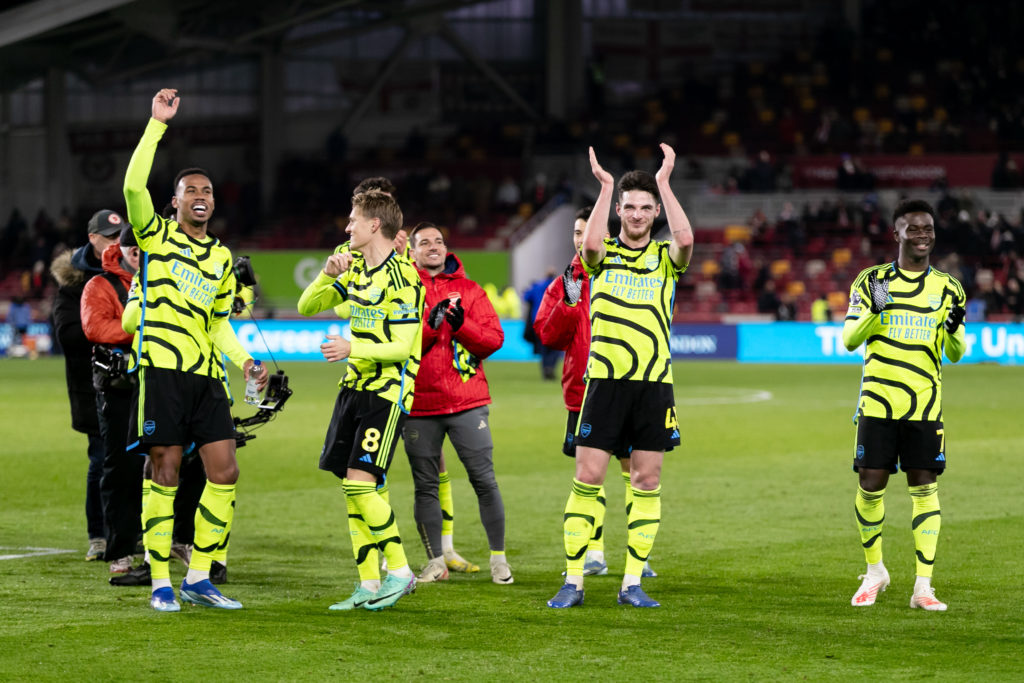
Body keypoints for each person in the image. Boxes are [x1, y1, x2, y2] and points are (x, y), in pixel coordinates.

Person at [123, 88, 267, 612]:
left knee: (224, 470)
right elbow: (132, 184)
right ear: (177, 200)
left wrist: (244, 359)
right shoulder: (156, 236)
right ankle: (160, 579)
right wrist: (156, 125)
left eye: (206, 189)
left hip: (208, 378)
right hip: (161, 370)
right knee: (164, 471)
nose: (200, 195)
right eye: (190, 189)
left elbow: (220, 324)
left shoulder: (222, 258)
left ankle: (199, 576)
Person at [548, 144, 693, 609]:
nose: (635, 214)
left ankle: (632, 582)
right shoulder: (603, 253)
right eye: (628, 207)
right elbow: (588, 245)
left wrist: (665, 184)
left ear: (654, 213)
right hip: (605, 383)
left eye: (643, 207)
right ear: (618, 211)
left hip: (653, 386)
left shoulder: (668, 260)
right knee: (587, 478)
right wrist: (607, 185)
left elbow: (687, 240)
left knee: (647, 481)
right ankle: (574, 580)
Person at [298, 189, 424, 611]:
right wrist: (327, 274)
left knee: (359, 482)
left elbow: (403, 346)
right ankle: (368, 585)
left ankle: (401, 572)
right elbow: (306, 305)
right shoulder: (350, 266)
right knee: (354, 489)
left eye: (353, 220)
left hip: (387, 393)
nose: (346, 227)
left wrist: (353, 349)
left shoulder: (404, 278)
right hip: (353, 389)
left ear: (374, 225)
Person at [843, 199, 966, 612]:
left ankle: (923, 586)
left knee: (924, 489)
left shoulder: (948, 288)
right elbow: (850, 340)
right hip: (878, 403)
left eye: (927, 228)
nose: (922, 235)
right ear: (896, 234)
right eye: (912, 229)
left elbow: (956, 352)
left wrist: (953, 331)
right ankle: (874, 570)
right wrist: (875, 313)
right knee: (870, 485)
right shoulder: (875, 281)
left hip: (926, 407)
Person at [534, 206, 656, 579]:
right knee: (590, 475)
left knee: (633, 471)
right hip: (583, 392)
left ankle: (640, 556)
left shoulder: (628, 272)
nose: (580, 238)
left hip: (627, 386)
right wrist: (570, 303)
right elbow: (548, 336)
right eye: (576, 232)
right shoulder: (566, 282)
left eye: (588, 231)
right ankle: (595, 553)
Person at [402, 222, 511, 585]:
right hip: (420, 404)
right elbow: (398, 346)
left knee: (484, 481)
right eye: (424, 243)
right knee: (425, 487)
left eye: (438, 241)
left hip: (468, 402)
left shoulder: (470, 291)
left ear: (446, 248)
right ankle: (435, 562)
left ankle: (499, 560)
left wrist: (461, 325)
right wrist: (432, 328)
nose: (433, 247)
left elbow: (494, 340)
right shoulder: (405, 290)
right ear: (413, 251)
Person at [51, 209, 123, 560]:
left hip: (132, 382)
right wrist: (114, 331)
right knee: (102, 458)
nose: (117, 243)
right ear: (92, 239)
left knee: (134, 458)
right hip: (92, 385)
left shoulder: (132, 272)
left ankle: (127, 532)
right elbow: (68, 334)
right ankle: (99, 534)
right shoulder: (73, 281)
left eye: (120, 236)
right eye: (110, 238)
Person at [80, 224, 144, 579]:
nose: (138, 256)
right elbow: (95, 329)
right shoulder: (99, 285)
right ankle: (119, 550)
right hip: (118, 388)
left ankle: (156, 542)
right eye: (132, 250)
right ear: (122, 251)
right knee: (119, 466)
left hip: (156, 384)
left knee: (161, 464)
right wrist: (141, 331)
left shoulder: (160, 280)